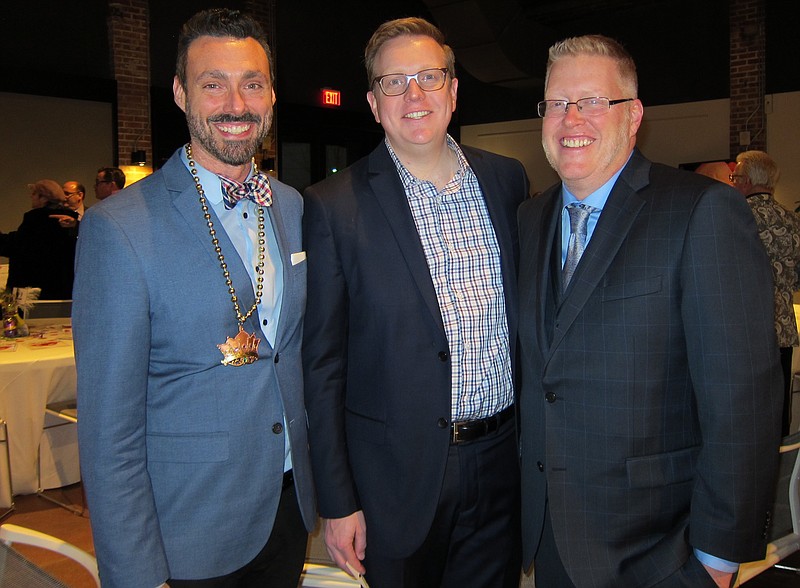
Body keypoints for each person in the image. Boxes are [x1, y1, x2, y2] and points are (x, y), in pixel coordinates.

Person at [518, 34, 782, 587]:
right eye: (557, 103)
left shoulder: (702, 212)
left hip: (661, 549)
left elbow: (743, 402)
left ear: (633, 115)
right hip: (552, 539)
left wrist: (716, 561)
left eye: (592, 101)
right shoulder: (530, 219)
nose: (571, 119)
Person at [73, 8, 315, 587]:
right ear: (181, 93)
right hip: (188, 532)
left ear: (272, 95)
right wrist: (136, 573)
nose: (236, 103)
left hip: (286, 508)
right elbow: (109, 434)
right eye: (214, 84)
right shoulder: (119, 229)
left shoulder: (293, 206)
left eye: (251, 84)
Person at [303, 17, 528, 587]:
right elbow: (323, 365)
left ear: (453, 89)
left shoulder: (508, 181)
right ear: (375, 103)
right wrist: (337, 500)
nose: (415, 95)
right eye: (394, 82)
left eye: (429, 77)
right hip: (393, 479)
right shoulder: (333, 206)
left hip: (502, 460)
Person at [733, 150, 800, 437]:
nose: (733, 183)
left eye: (735, 177)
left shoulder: (737, 217)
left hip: (744, 329)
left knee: (745, 413)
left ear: (746, 181)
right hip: (783, 328)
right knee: (778, 411)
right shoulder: (791, 220)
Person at [0, 179, 77, 299]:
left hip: (34, 290)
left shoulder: (36, 219)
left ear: (44, 198)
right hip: (62, 288)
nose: (31, 196)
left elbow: (18, 246)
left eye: (34, 194)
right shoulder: (71, 221)